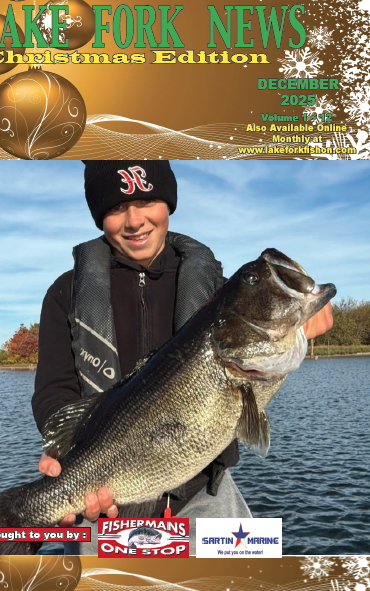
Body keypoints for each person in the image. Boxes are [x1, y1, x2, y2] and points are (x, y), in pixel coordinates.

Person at [32, 161, 333, 555]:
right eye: (117, 208)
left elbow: (258, 358)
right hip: (109, 511)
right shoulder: (65, 293)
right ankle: (24, 520)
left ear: (169, 203)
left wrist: (298, 328)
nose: (135, 220)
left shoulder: (212, 286)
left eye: (148, 201)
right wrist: (63, 458)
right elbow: (54, 390)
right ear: (99, 216)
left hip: (206, 492)